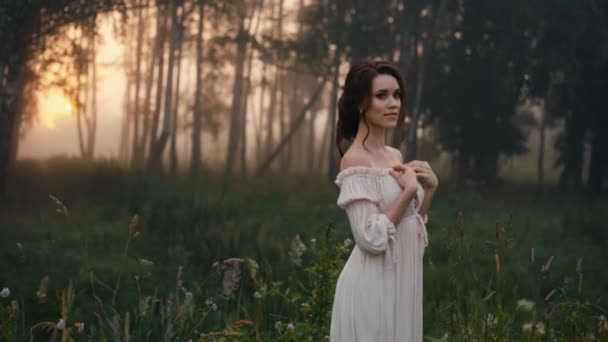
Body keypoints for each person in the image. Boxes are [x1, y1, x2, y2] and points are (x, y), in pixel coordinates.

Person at [330, 59, 439, 342]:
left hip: (402, 283)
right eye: (382, 95)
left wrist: (430, 190)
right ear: (360, 104)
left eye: (397, 95)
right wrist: (406, 192)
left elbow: (411, 233)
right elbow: (370, 240)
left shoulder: (395, 156)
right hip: (370, 289)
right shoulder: (354, 161)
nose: (393, 103)